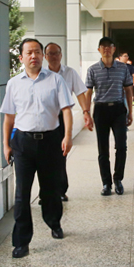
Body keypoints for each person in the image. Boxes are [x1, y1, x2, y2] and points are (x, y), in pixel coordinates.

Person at [1, 38, 74, 259]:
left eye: (37, 52)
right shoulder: (14, 83)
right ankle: (21, 242)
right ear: (21, 57)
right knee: (22, 194)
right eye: (29, 53)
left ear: (42, 55)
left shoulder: (56, 80)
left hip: (50, 141)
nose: (34, 56)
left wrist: (67, 136)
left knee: (51, 189)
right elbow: (9, 117)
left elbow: (67, 110)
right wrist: (6, 144)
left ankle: (54, 222)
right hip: (23, 143)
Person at [44, 42, 94, 202]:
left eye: (56, 53)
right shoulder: (41, 74)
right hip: (45, 119)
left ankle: (60, 189)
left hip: (62, 118)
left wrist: (86, 112)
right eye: (50, 53)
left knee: (61, 155)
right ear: (45, 56)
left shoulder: (70, 73)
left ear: (61, 55)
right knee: (44, 157)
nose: (53, 56)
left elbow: (80, 93)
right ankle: (46, 192)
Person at [85, 37, 134, 196]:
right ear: (99, 50)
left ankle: (118, 179)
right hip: (101, 110)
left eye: (109, 46)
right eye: (103, 47)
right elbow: (88, 92)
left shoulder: (123, 68)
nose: (106, 49)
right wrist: (86, 113)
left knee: (121, 146)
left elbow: (128, 90)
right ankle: (106, 183)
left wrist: (130, 111)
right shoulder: (92, 69)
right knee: (103, 149)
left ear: (114, 49)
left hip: (118, 109)